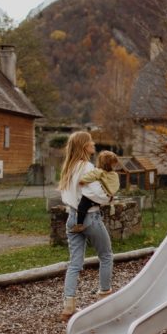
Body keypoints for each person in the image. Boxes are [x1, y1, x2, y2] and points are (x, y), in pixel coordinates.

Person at [58, 131, 114, 322]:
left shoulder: (69, 167)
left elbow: (66, 196)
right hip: (91, 217)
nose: (94, 144)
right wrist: (108, 198)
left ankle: (68, 306)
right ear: (84, 146)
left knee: (75, 263)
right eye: (90, 142)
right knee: (105, 255)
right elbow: (94, 193)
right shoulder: (87, 167)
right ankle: (104, 297)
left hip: (72, 217)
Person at [71, 150, 120, 234]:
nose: (115, 166)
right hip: (108, 196)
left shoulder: (99, 171)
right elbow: (116, 185)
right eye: (114, 164)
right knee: (90, 205)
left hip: (98, 196)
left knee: (82, 206)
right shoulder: (114, 174)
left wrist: (82, 181)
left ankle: (79, 225)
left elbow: (90, 176)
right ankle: (95, 205)